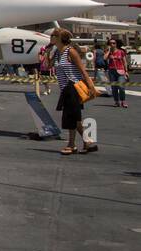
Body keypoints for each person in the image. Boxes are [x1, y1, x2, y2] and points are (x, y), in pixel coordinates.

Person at [51, 27, 98, 156]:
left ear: (59, 38)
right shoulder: (57, 52)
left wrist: (91, 86)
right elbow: (49, 66)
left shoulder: (70, 52)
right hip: (65, 88)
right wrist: (49, 51)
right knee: (76, 118)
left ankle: (71, 145)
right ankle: (87, 142)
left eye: (52, 36)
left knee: (70, 116)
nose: (50, 38)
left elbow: (82, 70)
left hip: (73, 86)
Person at [106, 37, 130, 108]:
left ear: (116, 44)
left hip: (121, 71)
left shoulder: (121, 52)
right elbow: (104, 58)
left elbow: (124, 62)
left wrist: (126, 71)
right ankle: (116, 102)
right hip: (111, 71)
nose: (112, 44)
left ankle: (123, 101)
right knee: (114, 87)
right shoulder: (108, 52)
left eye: (113, 43)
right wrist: (108, 51)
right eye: (110, 43)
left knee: (121, 87)